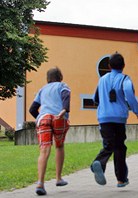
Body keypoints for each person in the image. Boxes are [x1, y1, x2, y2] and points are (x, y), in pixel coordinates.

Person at [91, 52, 138, 188]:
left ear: (108, 66)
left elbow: (95, 98)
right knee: (120, 147)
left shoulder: (102, 80)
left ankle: (99, 163)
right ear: (124, 66)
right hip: (119, 118)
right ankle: (121, 179)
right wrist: (136, 110)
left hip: (104, 117)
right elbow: (130, 95)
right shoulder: (125, 79)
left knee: (108, 145)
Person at [29, 67, 71, 196]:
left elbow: (32, 109)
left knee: (44, 150)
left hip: (43, 118)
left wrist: (40, 118)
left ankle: (40, 183)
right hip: (58, 117)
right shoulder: (62, 85)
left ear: (48, 78)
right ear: (60, 76)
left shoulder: (42, 89)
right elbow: (65, 96)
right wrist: (64, 110)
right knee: (59, 146)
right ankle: (58, 178)